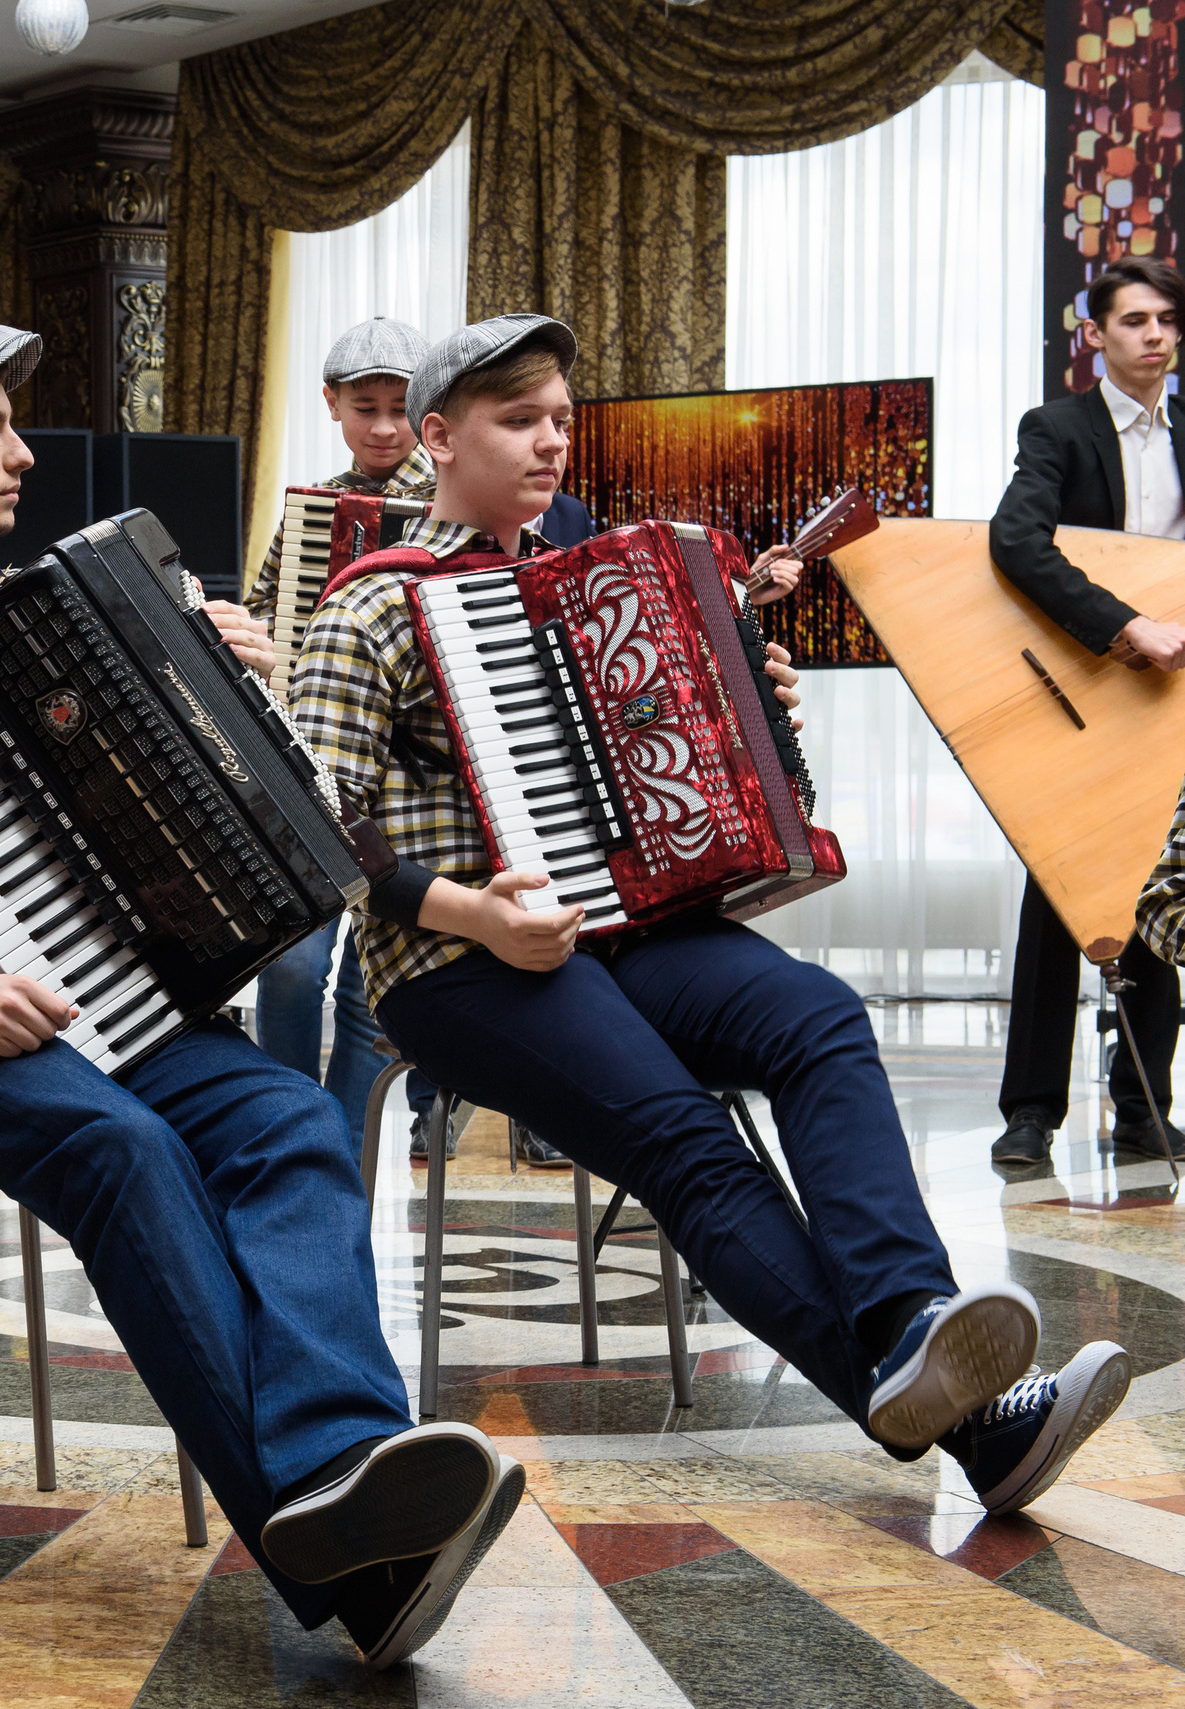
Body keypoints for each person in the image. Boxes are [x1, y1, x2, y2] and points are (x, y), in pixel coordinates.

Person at [0, 320, 525, 1670]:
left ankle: (342, 1463)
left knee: (289, 1121)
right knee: (124, 1150)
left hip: (115, 1003)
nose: (22, 452)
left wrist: (220, 691)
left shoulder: (48, 612)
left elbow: (191, 809)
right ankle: (328, 1545)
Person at [293, 312, 1132, 1515]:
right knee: (690, 1143)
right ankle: (980, 1425)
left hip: (620, 931)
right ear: (436, 438)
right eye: (517, 420)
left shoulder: (580, 588)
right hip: (455, 962)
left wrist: (750, 691)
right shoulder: (368, 608)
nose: (549, 445)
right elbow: (315, 820)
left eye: (561, 422)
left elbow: (695, 777)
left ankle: (908, 1317)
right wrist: (475, 913)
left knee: (821, 1019)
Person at [241, 318, 495, 1163]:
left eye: (398, 407)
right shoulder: (311, 514)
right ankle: (282, 1131)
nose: (383, 427)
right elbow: (266, 619)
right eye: (365, 408)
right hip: (313, 768)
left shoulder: (463, 501)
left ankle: (341, 1158)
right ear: (333, 407)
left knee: (366, 997)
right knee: (287, 964)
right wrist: (265, 646)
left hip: (412, 791)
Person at [987, 254, 1185, 1166]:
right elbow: (1014, 543)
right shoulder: (1057, 428)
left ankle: (1145, 1107)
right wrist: (1122, 625)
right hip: (1080, 682)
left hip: (1173, 695)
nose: (1156, 335)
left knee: (1162, 890)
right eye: (1136, 320)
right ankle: (1029, 1112)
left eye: (1167, 321)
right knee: (1054, 892)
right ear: (1094, 335)